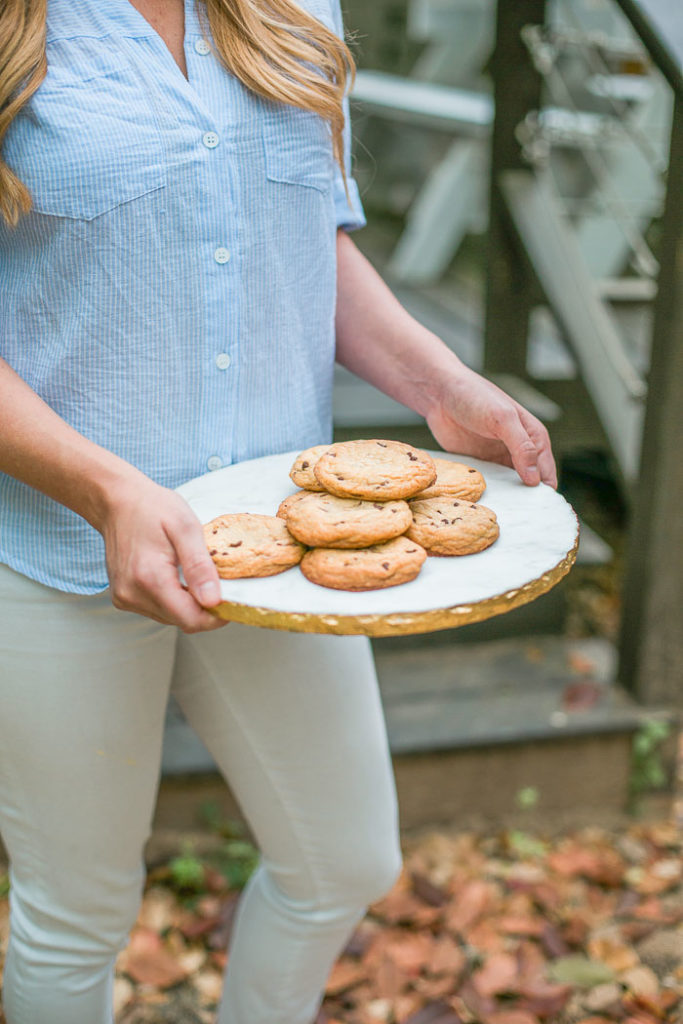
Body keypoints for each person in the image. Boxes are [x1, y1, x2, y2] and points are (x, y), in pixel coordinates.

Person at [0, 0, 557, 1021]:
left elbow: (307, 240)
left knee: (343, 860)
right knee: (75, 912)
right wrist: (107, 487)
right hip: (52, 546)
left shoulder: (295, 5)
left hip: (281, 537)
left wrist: (438, 385)